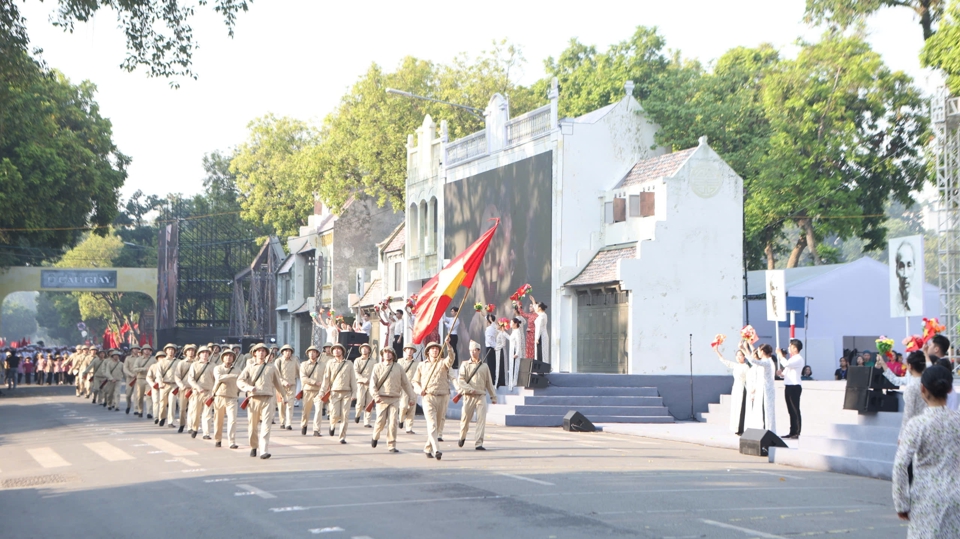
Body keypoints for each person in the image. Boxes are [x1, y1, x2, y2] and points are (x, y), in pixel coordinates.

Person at [892, 365, 960, 537]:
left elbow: (900, 465)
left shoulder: (917, 424)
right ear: (950, 389)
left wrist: (901, 504)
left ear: (923, 389)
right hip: (956, 495)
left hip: (925, 497)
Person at [237, 343, 286, 459]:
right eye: (258, 351)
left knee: (266, 425)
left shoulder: (272, 367)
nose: (261, 353)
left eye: (263, 351)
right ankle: (254, 446)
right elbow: (240, 381)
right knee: (252, 427)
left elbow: (278, 384)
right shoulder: (249, 367)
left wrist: (285, 397)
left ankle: (264, 450)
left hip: (268, 398)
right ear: (254, 353)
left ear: (266, 353)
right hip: (254, 398)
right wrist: (248, 388)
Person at [412, 337, 455, 460]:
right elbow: (415, 381)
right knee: (432, 425)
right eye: (432, 349)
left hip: (442, 396)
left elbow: (451, 359)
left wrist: (448, 346)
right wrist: (420, 390)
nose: (435, 351)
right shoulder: (421, 365)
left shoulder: (443, 363)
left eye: (437, 349)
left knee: (437, 425)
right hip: (428, 397)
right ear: (428, 352)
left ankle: (427, 447)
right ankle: (437, 450)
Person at [369, 347, 416, 453]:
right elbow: (372, 384)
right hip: (381, 399)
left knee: (393, 422)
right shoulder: (377, 367)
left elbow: (406, 383)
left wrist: (412, 397)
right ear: (382, 355)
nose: (387, 354)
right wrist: (375, 396)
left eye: (390, 353)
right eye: (385, 353)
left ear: (393, 355)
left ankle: (391, 445)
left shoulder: (399, 367)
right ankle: (375, 436)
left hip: (395, 398)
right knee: (380, 422)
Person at [457, 341, 498, 450]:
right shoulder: (465, 364)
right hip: (468, 395)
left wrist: (493, 396)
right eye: (471, 350)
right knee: (465, 419)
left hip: (481, 395)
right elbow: (461, 380)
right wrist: (470, 389)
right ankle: (462, 436)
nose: (472, 352)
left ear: (479, 351)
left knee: (481, 420)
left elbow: (489, 382)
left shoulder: (484, 366)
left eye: (474, 350)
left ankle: (478, 443)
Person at [319, 343, 357, 444]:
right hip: (334, 393)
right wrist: (322, 391)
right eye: (334, 349)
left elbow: (353, 379)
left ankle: (342, 436)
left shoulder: (349, 363)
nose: (336, 351)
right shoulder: (330, 363)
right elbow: (326, 379)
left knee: (345, 416)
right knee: (335, 415)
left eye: (339, 349)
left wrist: (354, 393)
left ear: (342, 351)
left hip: (347, 393)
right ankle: (332, 425)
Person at [715, 344, 750, 435]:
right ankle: (736, 427)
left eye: (740, 355)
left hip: (743, 388)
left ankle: (741, 428)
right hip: (736, 388)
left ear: (744, 356)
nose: (738, 357)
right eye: (737, 355)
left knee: (741, 408)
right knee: (735, 408)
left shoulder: (747, 366)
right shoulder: (735, 365)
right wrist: (716, 351)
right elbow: (724, 361)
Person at [744, 342, 777, 433]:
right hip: (763, 389)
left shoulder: (767, 362)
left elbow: (753, 360)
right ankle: (763, 429)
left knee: (767, 411)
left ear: (762, 351)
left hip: (766, 390)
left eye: (758, 351)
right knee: (764, 411)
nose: (757, 353)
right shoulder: (765, 361)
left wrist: (745, 348)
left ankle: (769, 431)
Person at [211, 349, 240, 449]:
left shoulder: (238, 369)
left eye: (231, 356)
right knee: (218, 420)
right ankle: (218, 439)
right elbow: (219, 378)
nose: (229, 357)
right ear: (222, 358)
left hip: (232, 398)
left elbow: (241, 381)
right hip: (219, 396)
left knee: (232, 420)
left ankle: (231, 441)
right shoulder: (217, 368)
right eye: (226, 355)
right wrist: (233, 376)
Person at [187, 346, 216, 440]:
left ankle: (206, 433)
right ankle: (194, 428)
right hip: (197, 392)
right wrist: (198, 387)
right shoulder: (194, 365)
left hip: (209, 392)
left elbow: (216, 379)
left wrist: (215, 391)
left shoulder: (213, 365)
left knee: (207, 413)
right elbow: (190, 379)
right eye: (203, 352)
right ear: (199, 354)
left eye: (207, 353)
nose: (205, 354)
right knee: (196, 413)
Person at [777, 340, 805, 439]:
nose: (789, 348)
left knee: (795, 409)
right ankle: (792, 431)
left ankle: (797, 431)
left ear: (795, 348)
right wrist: (780, 373)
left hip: (795, 386)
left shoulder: (798, 359)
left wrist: (780, 355)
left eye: (790, 346)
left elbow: (786, 364)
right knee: (790, 410)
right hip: (788, 385)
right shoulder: (792, 360)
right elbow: (786, 372)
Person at [298, 345, 326, 436]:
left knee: (318, 410)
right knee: (306, 411)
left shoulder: (323, 365)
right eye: (310, 352)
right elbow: (303, 378)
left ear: (317, 354)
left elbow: (327, 377)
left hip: (319, 391)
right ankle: (304, 425)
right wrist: (315, 382)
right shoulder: (304, 364)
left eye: (314, 352)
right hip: (308, 390)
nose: (312, 354)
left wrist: (324, 385)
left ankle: (316, 430)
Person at [275, 344, 300, 431]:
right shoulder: (278, 361)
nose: (288, 353)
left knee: (290, 405)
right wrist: (283, 381)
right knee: (281, 405)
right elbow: (276, 374)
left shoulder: (295, 360)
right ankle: (282, 421)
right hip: (280, 387)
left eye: (289, 351)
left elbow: (299, 371)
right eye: (286, 351)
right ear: (282, 352)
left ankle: (288, 423)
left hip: (292, 386)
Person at [174, 344, 197, 433]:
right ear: (185, 352)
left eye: (192, 350)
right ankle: (182, 424)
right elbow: (177, 376)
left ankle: (190, 426)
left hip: (194, 389)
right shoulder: (181, 363)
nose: (191, 352)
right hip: (184, 388)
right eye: (189, 350)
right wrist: (181, 385)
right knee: (182, 409)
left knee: (192, 409)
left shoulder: (197, 363)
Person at [398, 344, 420, 434]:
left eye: (411, 350)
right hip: (403, 387)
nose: (410, 351)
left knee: (412, 407)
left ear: (414, 351)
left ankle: (409, 428)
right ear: (405, 350)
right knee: (403, 406)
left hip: (413, 387)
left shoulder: (417, 363)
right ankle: (401, 419)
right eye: (408, 349)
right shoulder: (400, 361)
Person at [155, 345, 179, 427]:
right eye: (169, 349)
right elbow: (158, 373)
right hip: (164, 384)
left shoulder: (178, 362)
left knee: (172, 403)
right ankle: (162, 417)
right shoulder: (161, 362)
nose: (171, 351)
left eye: (172, 349)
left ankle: (170, 421)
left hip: (174, 385)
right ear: (166, 351)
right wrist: (160, 383)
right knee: (163, 403)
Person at [353, 343, 376, 427]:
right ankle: (357, 414)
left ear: (369, 350)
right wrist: (363, 379)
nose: (364, 349)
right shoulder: (357, 360)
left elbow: (376, 373)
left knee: (369, 403)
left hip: (370, 384)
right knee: (360, 402)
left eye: (366, 348)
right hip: (361, 384)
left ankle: (367, 421)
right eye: (363, 348)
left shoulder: (373, 361)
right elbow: (355, 372)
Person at [133, 345, 155, 418]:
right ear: (142, 351)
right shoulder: (138, 359)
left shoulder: (153, 359)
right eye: (145, 349)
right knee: (140, 397)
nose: (147, 351)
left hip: (150, 380)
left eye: (148, 349)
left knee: (149, 396)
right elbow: (135, 369)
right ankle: (140, 410)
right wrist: (144, 369)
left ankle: (149, 412)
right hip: (140, 379)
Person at [508, 318, 524, 390]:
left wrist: (517, 353)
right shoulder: (514, 331)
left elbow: (518, 343)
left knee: (515, 367)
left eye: (511, 323)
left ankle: (514, 382)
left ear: (515, 324)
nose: (510, 324)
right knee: (512, 367)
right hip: (512, 351)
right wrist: (503, 332)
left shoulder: (517, 331)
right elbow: (510, 339)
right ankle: (511, 382)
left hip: (515, 352)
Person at [483, 314, 498, 383]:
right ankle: (492, 378)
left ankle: (491, 380)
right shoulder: (494, 327)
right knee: (492, 364)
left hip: (490, 347)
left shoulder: (489, 328)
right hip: (492, 347)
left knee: (490, 364)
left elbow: (489, 339)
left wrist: (494, 345)